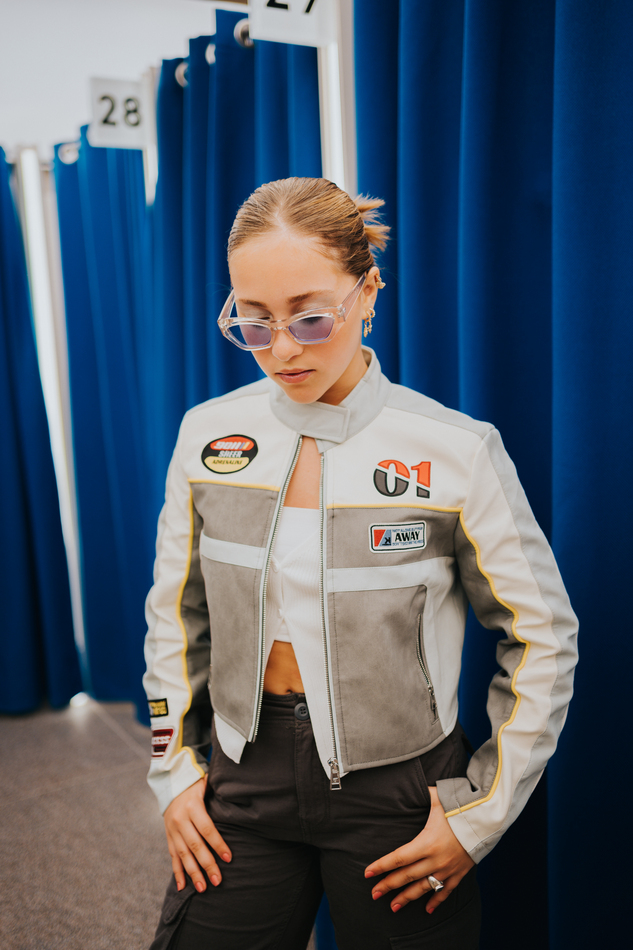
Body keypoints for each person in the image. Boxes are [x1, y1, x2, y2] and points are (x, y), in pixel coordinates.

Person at [143, 177, 578, 950]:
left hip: (399, 789)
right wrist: (171, 769)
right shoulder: (206, 436)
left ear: (367, 291)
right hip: (244, 776)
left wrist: (479, 812)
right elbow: (175, 622)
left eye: (310, 318)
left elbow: (542, 636)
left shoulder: (455, 449)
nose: (282, 349)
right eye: (253, 320)